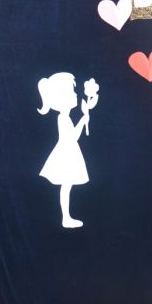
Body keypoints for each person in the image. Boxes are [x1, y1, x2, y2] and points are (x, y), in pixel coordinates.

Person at [37, 72, 92, 228]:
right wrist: (82, 120)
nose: (76, 94)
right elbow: (73, 137)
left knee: (67, 187)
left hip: (68, 151)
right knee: (66, 187)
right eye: (72, 91)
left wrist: (83, 120)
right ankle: (65, 218)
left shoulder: (64, 117)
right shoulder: (63, 118)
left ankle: (66, 217)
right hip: (66, 154)